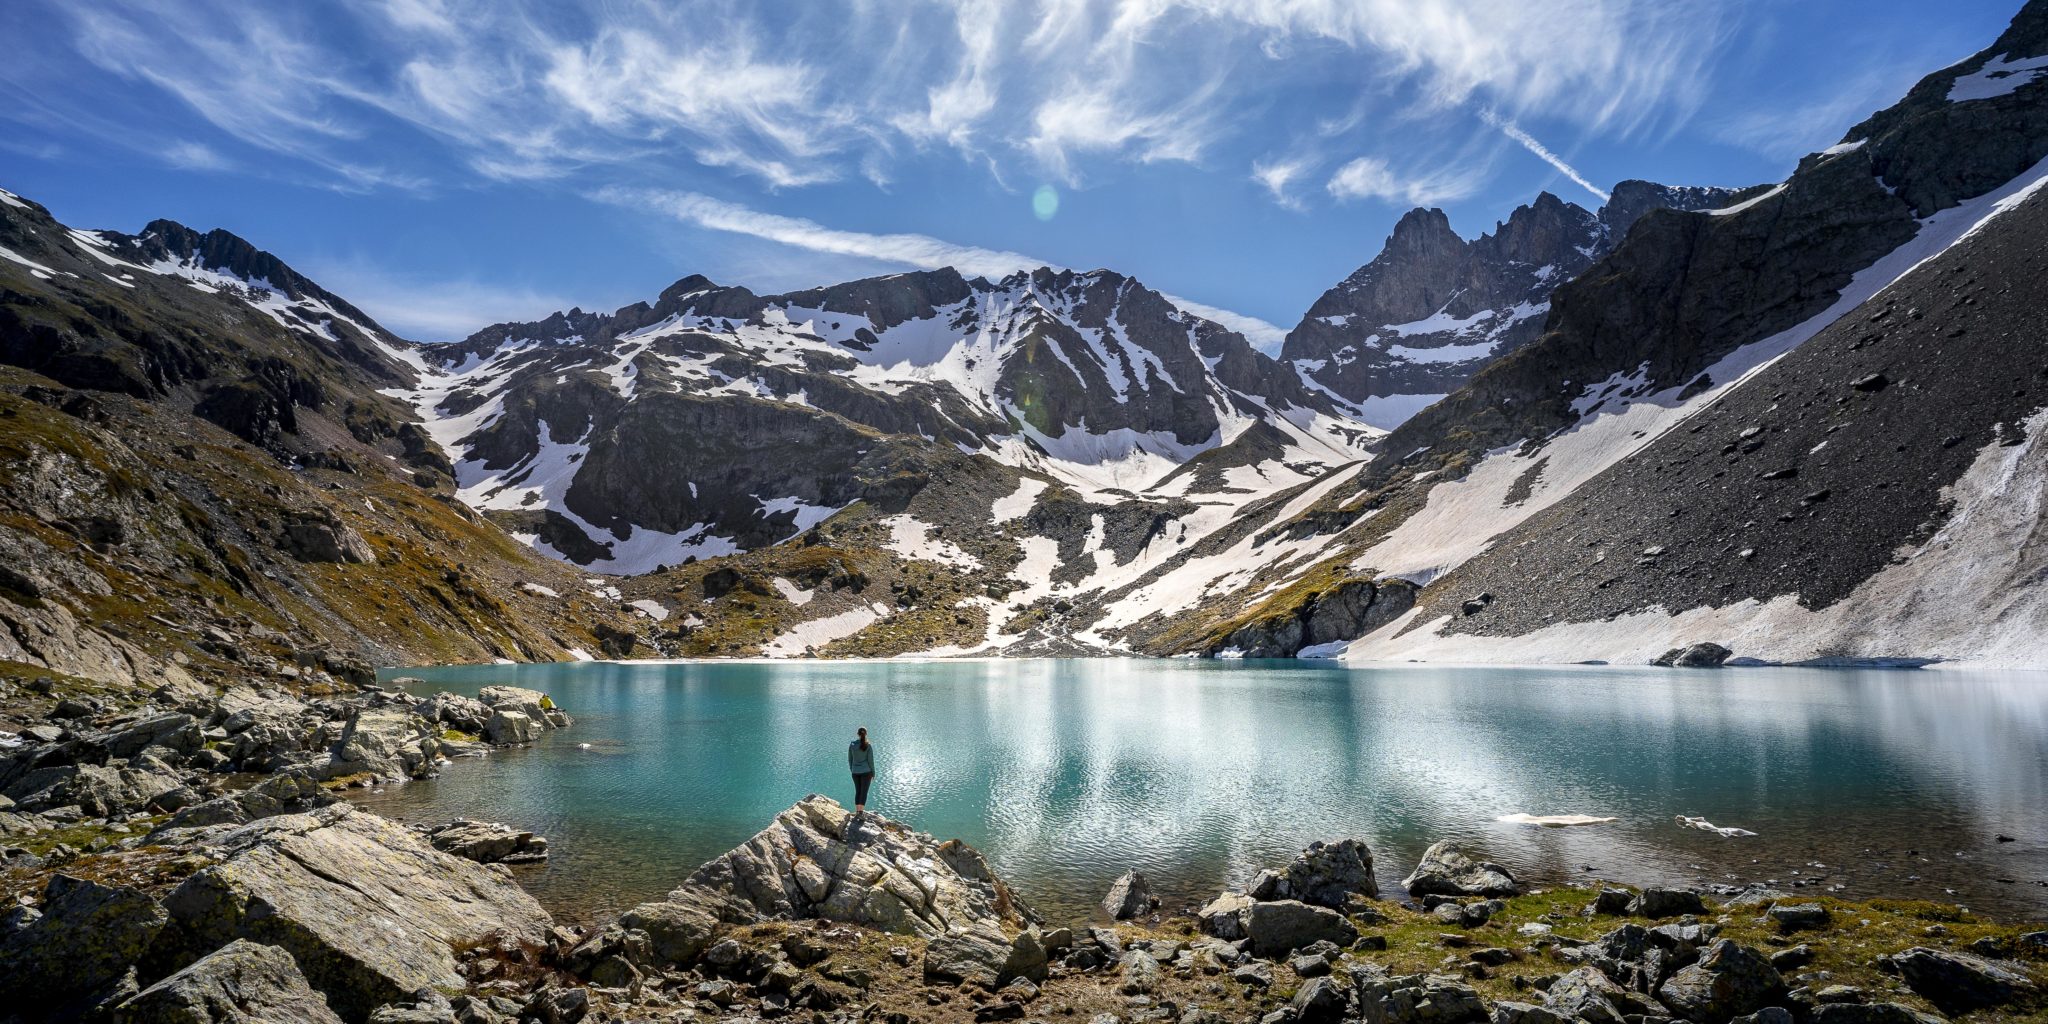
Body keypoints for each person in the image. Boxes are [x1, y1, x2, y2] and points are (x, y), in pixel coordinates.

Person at [848, 727, 875, 819]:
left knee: (858, 791)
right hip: (866, 772)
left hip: (855, 772)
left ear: (857, 734)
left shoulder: (852, 745)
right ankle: (860, 813)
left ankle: (857, 812)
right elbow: (871, 761)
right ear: (865, 734)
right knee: (864, 792)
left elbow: (850, 759)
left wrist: (853, 769)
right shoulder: (868, 745)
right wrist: (873, 773)